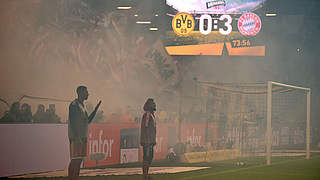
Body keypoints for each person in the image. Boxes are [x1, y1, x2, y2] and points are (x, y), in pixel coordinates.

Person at [68, 86, 101, 180]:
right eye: (86, 92)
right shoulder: (74, 105)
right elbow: (73, 121)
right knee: (75, 160)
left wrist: (95, 110)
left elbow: (87, 121)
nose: (88, 94)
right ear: (80, 92)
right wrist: (77, 136)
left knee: (79, 160)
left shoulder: (82, 106)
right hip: (76, 137)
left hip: (82, 136)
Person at [140, 98, 157, 180]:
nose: (154, 105)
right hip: (147, 141)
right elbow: (145, 127)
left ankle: (146, 174)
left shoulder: (151, 115)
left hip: (150, 141)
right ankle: (145, 176)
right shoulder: (147, 114)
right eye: (153, 103)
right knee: (146, 157)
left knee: (150, 157)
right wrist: (148, 140)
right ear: (149, 105)